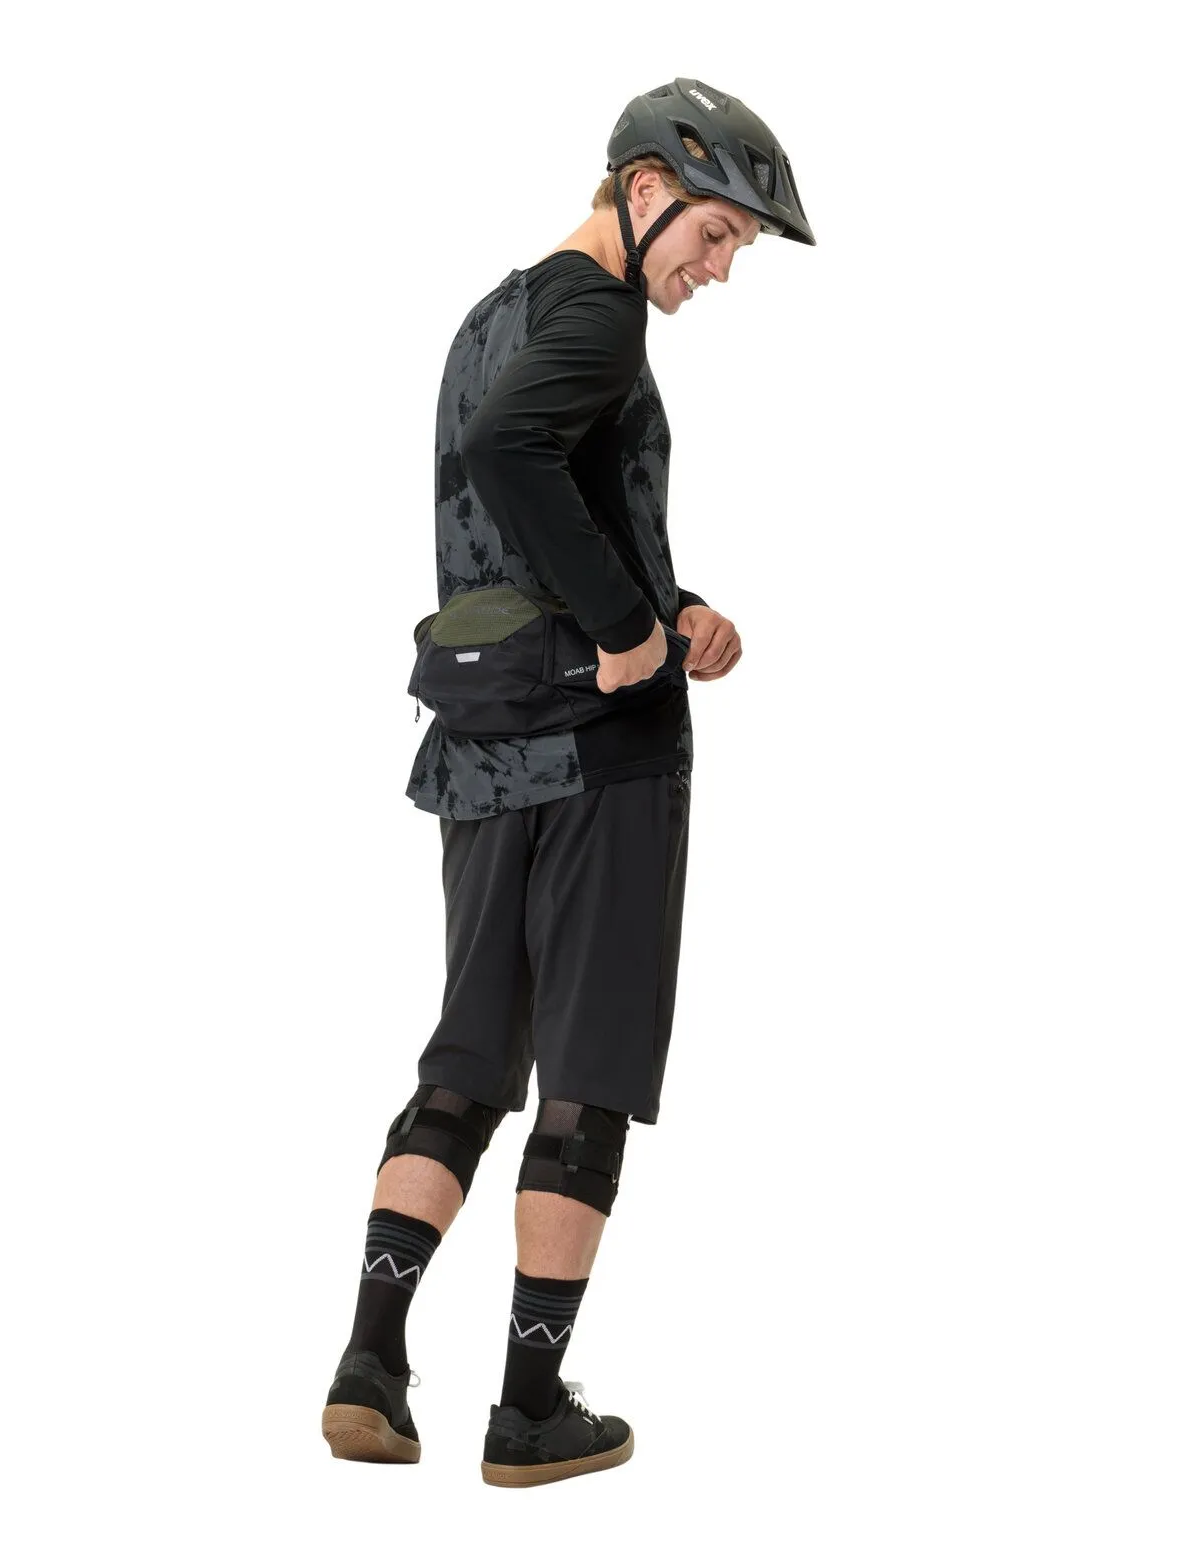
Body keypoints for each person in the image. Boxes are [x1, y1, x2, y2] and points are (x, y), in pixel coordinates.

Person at [321, 76, 815, 1487]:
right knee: (585, 1082)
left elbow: (532, 510)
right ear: (646, 188)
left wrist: (671, 606)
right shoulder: (598, 315)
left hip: (487, 744)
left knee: (468, 1060)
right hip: (602, 759)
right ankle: (529, 1410)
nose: (720, 272)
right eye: (716, 235)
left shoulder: (498, 315)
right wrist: (624, 632)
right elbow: (511, 455)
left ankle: (370, 1364)